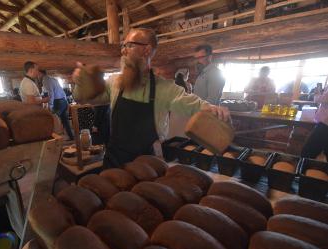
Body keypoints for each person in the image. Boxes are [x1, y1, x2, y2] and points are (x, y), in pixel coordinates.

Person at [72, 28, 230, 168]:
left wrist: (214, 109)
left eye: (129, 45)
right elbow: (84, 98)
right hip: (114, 161)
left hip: (149, 166)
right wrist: (81, 81)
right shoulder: (115, 83)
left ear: (147, 50)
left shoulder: (165, 89)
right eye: (123, 45)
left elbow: (193, 105)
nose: (123, 51)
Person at [40, 69, 74, 140]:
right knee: (65, 121)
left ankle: (55, 139)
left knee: (53, 120)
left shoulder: (45, 80)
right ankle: (71, 137)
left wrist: (50, 105)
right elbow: (61, 91)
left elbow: (51, 93)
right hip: (63, 101)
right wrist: (66, 102)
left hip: (58, 102)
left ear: (40, 73)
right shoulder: (53, 79)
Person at [301, 86, 328, 160]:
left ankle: (302, 169)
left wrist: (317, 93)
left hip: (325, 124)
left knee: (308, 151)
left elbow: (321, 99)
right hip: (324, 123)